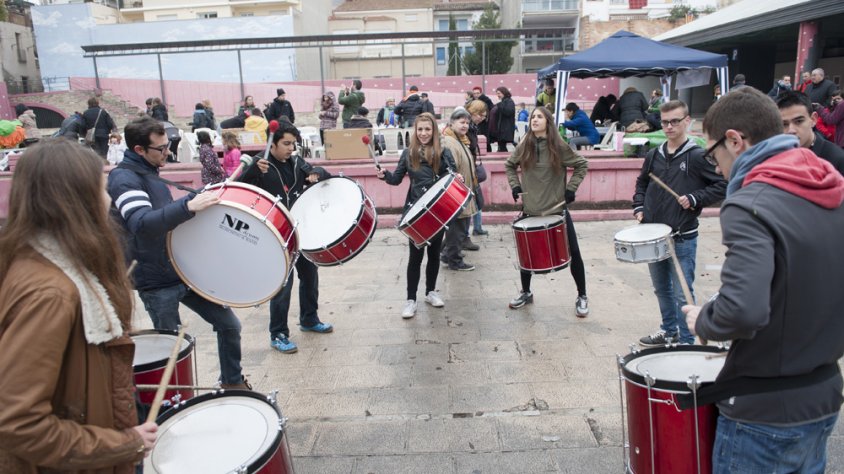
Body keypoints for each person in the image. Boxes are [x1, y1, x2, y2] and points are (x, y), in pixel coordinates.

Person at [682, 86, 844, 474]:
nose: (717, 168)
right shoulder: (832, 186)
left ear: (735, 141)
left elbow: (742, 310)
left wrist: (704, 319)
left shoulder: (749, 202)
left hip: (765, 413)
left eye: (713, 153)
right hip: (822, 395)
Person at [0, 139, 158, 473]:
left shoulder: (46, 266)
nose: (109, 199)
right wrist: (124, 443)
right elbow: (19, 422)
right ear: (74, 201)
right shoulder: (50, 294)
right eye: (101, 189)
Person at [107, 116, 250, 389]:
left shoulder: (151, 174)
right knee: (172, 351)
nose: (168, 152)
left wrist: (192, 202)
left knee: (229, 324)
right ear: (139, 150)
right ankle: (177, 402)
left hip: (182, 269)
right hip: (155, 280)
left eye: (167, 145)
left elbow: (165, 217)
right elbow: (141, 223)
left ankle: (232, 383)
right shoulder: (124, 179)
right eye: (161, 148)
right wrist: (188, 206)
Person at [632, 100, 727, 346]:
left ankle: (687, 341)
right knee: (661, 289)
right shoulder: (655, 154)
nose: (669, 126)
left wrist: (696, 198)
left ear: (687, 121)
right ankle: (668, 330)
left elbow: (722, 184)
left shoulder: (696, 155)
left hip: (682, 235)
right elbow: (642, 183)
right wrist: (639, 207)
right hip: (653, 235)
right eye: (665, 122)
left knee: (681, 291)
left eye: (675, 121)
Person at [239, 120, 334, 354]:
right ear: (273, 144)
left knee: (310, 276)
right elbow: (240, 189)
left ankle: (309, 319)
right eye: (286, 144)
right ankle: (278, 333)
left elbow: (323, 173)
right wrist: (250, 171)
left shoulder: (296, 163)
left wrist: (316, 173)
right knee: (284, 284)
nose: (291, 148)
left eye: (293, 144)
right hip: (276, 233)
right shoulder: (259, 164)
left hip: (301, 230)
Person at [505, 106, 590, 317]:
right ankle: (526, 292)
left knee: (575, 253)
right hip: (531, 208)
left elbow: (581, 164)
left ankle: (582, 295)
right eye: (533, 116)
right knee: (526, 255)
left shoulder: (558, 146)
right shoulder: (525, 144)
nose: (534, 120)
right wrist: (515, 186)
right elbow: (509, 164)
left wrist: (571, 189)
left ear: (548, 122)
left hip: (557, 210)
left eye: (539, 117)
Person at [377, 113, 455, 319]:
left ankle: (430, 292)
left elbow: (452, 176)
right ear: (415, 131)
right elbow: (395, 179)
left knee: (434, 254)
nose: (423, 133)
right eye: (420, 129)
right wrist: (385, 175)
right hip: (416, 211)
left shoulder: (443, 152)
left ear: (434, 131)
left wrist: (458, 177)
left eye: (427, 129)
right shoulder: (408, 154)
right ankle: (410, 300)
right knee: (415, 256)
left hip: (437, 210)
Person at [440, 109, 478, 271]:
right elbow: (451, 170)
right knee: (458, 229)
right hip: (458, 194)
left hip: (464, 192)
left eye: (467, 123)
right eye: (461, 122)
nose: (465, 126)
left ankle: (447, 254)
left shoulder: (460, 139)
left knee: (458, 228)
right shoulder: (449, 141)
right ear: (452, 123)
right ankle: (454, 260)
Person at [777, 91, 844, 175]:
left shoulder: (837, 159)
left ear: (813, 119)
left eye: (799, 121)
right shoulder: (773, 157)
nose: (791, 130)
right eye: (784, 124)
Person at [466, 100, 489, 237]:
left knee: (477, 199)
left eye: (484, 115)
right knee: (471, 201)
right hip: (468, 170)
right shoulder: (467, 127)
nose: (482, 118)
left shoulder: (473, 127)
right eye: (479, 114)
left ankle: (477, 227)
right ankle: (466, 234)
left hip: (472, 168)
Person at [494, 86, 516, 152]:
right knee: (501, 146)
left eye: (499, 93)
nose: (498, 95)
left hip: (506, 128)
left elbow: (508, 112)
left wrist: (500, 105)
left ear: (504, 93)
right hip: (502, 128)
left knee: (502, 146)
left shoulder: (509, 101)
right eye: (497, 93)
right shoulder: (505, 101)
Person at [472, 86, 494, 152]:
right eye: (474, 93)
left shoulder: (486, 100)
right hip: (476, 122)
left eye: (477, 93)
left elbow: (491, 109)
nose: (476, 95)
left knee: (485, 140)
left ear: (481, 93)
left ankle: (488, 152)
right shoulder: (473, 100)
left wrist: (484, 116)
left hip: (485, 123)